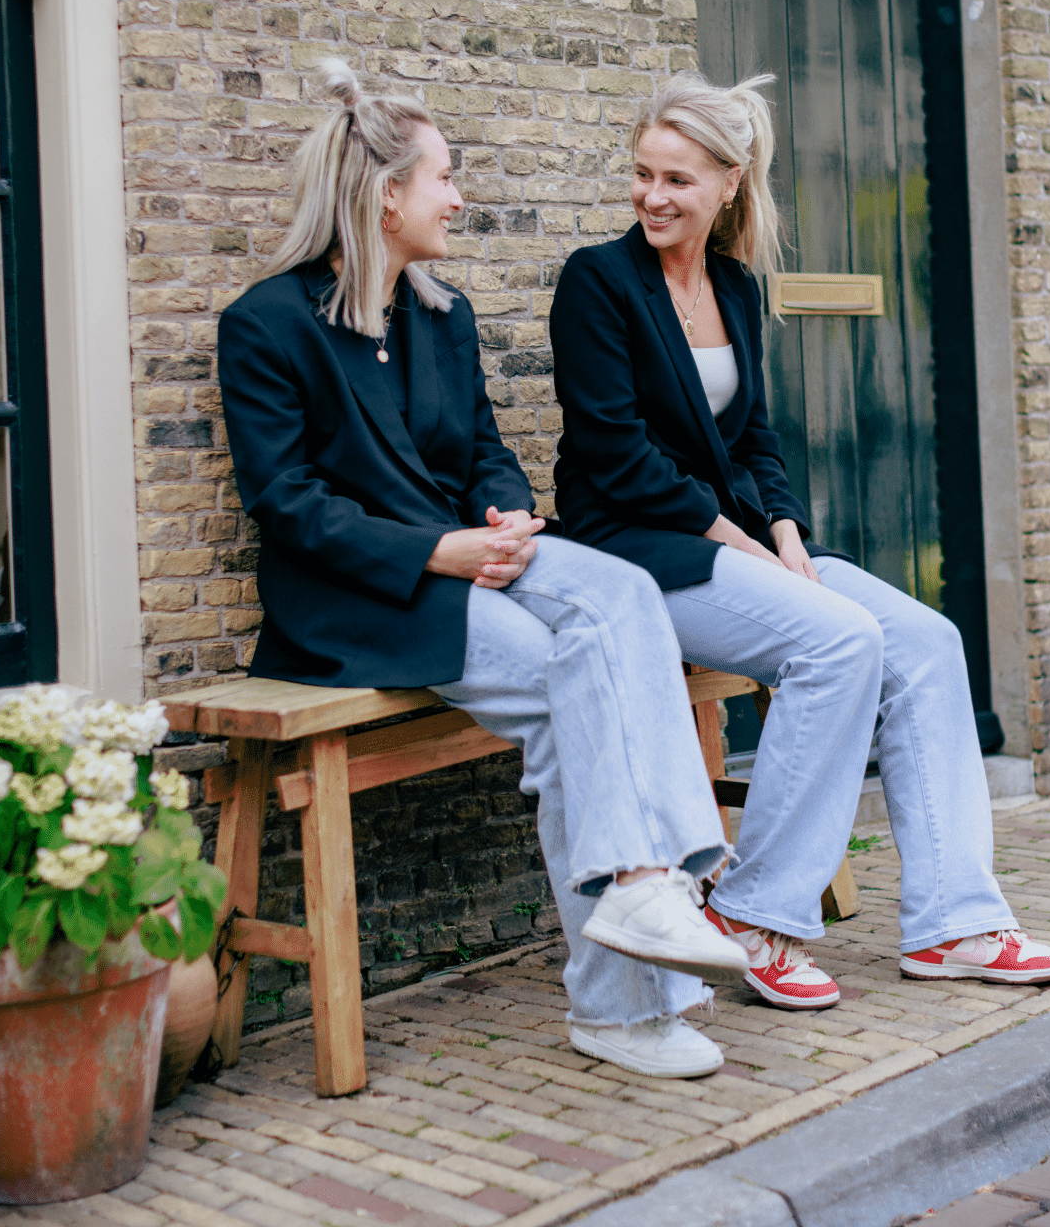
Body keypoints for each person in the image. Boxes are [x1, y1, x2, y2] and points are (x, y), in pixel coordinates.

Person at [217, 60, 752, 1079]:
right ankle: (626, 981)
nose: (457, 198)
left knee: (621, 589)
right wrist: (438, 548)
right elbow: (289, 509)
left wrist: (503, 510)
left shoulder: (440, 314)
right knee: (567, 683)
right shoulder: (268, 326)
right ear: (387, 196)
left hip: (466, 560)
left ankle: (664, 875)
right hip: (359, 599)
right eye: (444, 179)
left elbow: (479, 449)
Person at [549, 71, 1050, 1011]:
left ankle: (954, 920)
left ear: (729, 183)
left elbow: (755, 438)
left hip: (739, 544)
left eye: (677, 180)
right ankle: (754, 916)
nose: (653, 197)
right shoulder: (598, 281)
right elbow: (617, 458)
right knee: (836, 638)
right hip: (641, 552)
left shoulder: (735, 287)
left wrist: (786, 535)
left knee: (927, 641)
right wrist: (748, 551)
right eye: (643, 175)